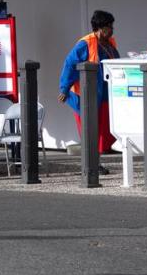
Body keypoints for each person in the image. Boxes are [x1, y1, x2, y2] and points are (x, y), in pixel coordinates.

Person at [58, 10, 119, 173]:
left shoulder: (110, 44)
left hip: (104, 95)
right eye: (109, 27)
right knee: (89, 130)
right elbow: (69, 64)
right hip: (84, 96)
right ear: (99, 28)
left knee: (104, 130)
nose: (112, 29)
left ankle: (95, 161)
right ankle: (92, 165)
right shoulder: (85, 43)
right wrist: (64, 88)